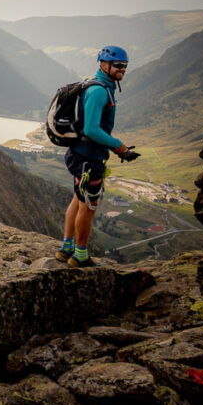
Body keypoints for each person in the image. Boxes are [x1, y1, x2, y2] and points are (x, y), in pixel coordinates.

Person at [57, 46, 140, 268]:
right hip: (88, 158)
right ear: (103, 64)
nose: (122, 69)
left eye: (124, 66)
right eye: (117, 65)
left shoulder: (96, 86)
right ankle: (80, 255)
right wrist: (119, 147)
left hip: (79, 154)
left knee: (77, 198)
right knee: (88, 205)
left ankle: (66, 248)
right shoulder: (99, 91)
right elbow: (92, 129)